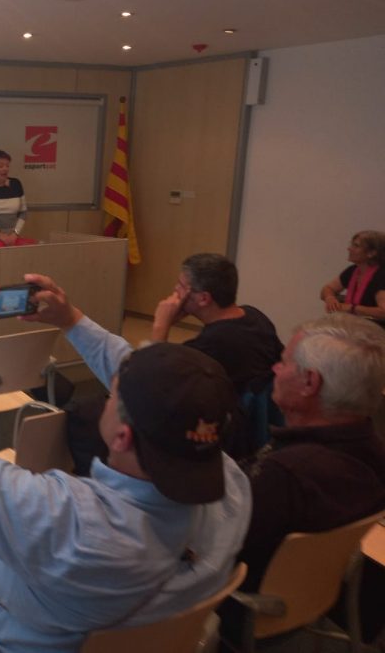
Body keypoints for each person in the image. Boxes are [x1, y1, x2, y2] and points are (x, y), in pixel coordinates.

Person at [0, 276, 251, 653]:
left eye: (113, 393)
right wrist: (72, 321)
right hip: (133, 635)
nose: (110, 388)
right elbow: (147, 384)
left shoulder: (70, 522)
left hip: (0, 635)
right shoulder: (232, 490)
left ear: (122, 437)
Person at [236, 312, 385, 590]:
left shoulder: (285, 475)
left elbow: (219, 550)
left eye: (284, 362)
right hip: (316, 591)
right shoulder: (373, 451)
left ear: (310, 383)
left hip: (248, 600)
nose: (275, 369)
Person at [151, 253, 283, 453]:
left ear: (203, 298)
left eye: (181, 286)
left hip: (228, 437)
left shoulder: (209, 346)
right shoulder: (255, 316)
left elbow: (154, 382)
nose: (175, 290)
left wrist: (161, 325)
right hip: (264, 428)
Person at [319, 230, 385, 326]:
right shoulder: (353, 270)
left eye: (356, 246)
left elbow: (383, 312)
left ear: (371, 253)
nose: (349, 249)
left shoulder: (381, 275)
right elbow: (327, 288)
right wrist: (330, 298)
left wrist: (352, 308)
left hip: (376, 330)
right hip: (356, 327)